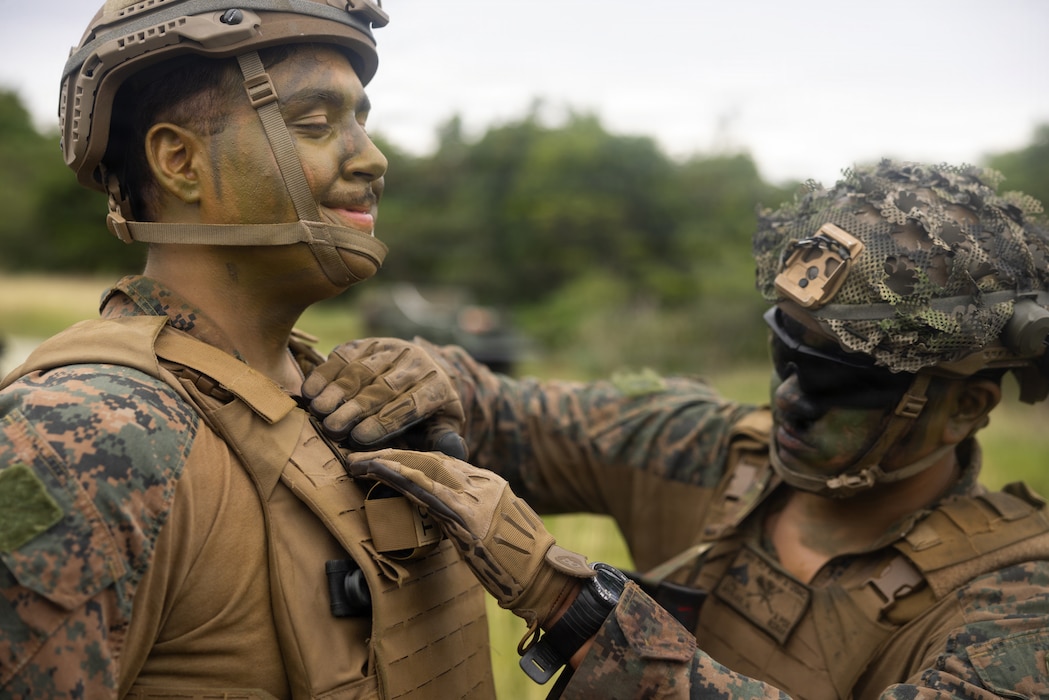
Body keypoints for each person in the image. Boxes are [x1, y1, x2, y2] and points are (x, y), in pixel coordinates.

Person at [0, 2, 785, 698]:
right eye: (314, 123)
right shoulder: (81, 435)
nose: (371, 159)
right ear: (180, 163)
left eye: (362, 120)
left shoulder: (342, 398)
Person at [303, 160, 1049, 698]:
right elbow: (512, 414)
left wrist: (573, 605)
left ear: (966, 407)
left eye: (835, 381)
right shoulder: (707, 448)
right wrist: (426, 373)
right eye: (782, 352)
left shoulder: (1018, 602)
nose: (789, 397)